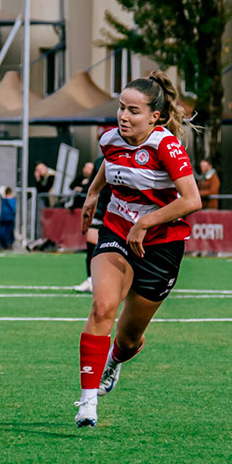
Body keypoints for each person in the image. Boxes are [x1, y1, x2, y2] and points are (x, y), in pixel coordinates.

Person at [70, 73, 202, 427]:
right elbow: (109, 163)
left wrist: (145, 223)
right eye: (121, 108)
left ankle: (115, 361)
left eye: (133, 111)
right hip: (116, 231)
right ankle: (87, 402)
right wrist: (94, 193)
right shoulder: (111, 139)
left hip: (162, 246)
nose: (123, 116)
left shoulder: (167, 147)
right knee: (102, 308)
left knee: (128, 339)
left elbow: (192, 199)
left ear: (154, 117)